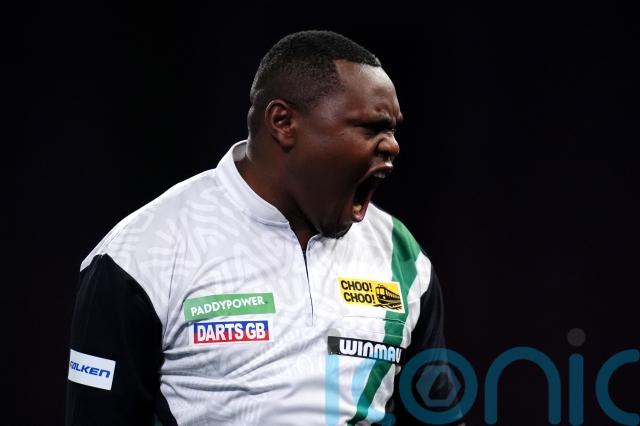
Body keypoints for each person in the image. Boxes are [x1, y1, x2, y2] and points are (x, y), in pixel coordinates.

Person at [66, 30, 460, 425]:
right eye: (371, 128)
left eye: (392, 130)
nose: (392, 146)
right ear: (283, 122)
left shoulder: (400, 254)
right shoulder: (141, 253)